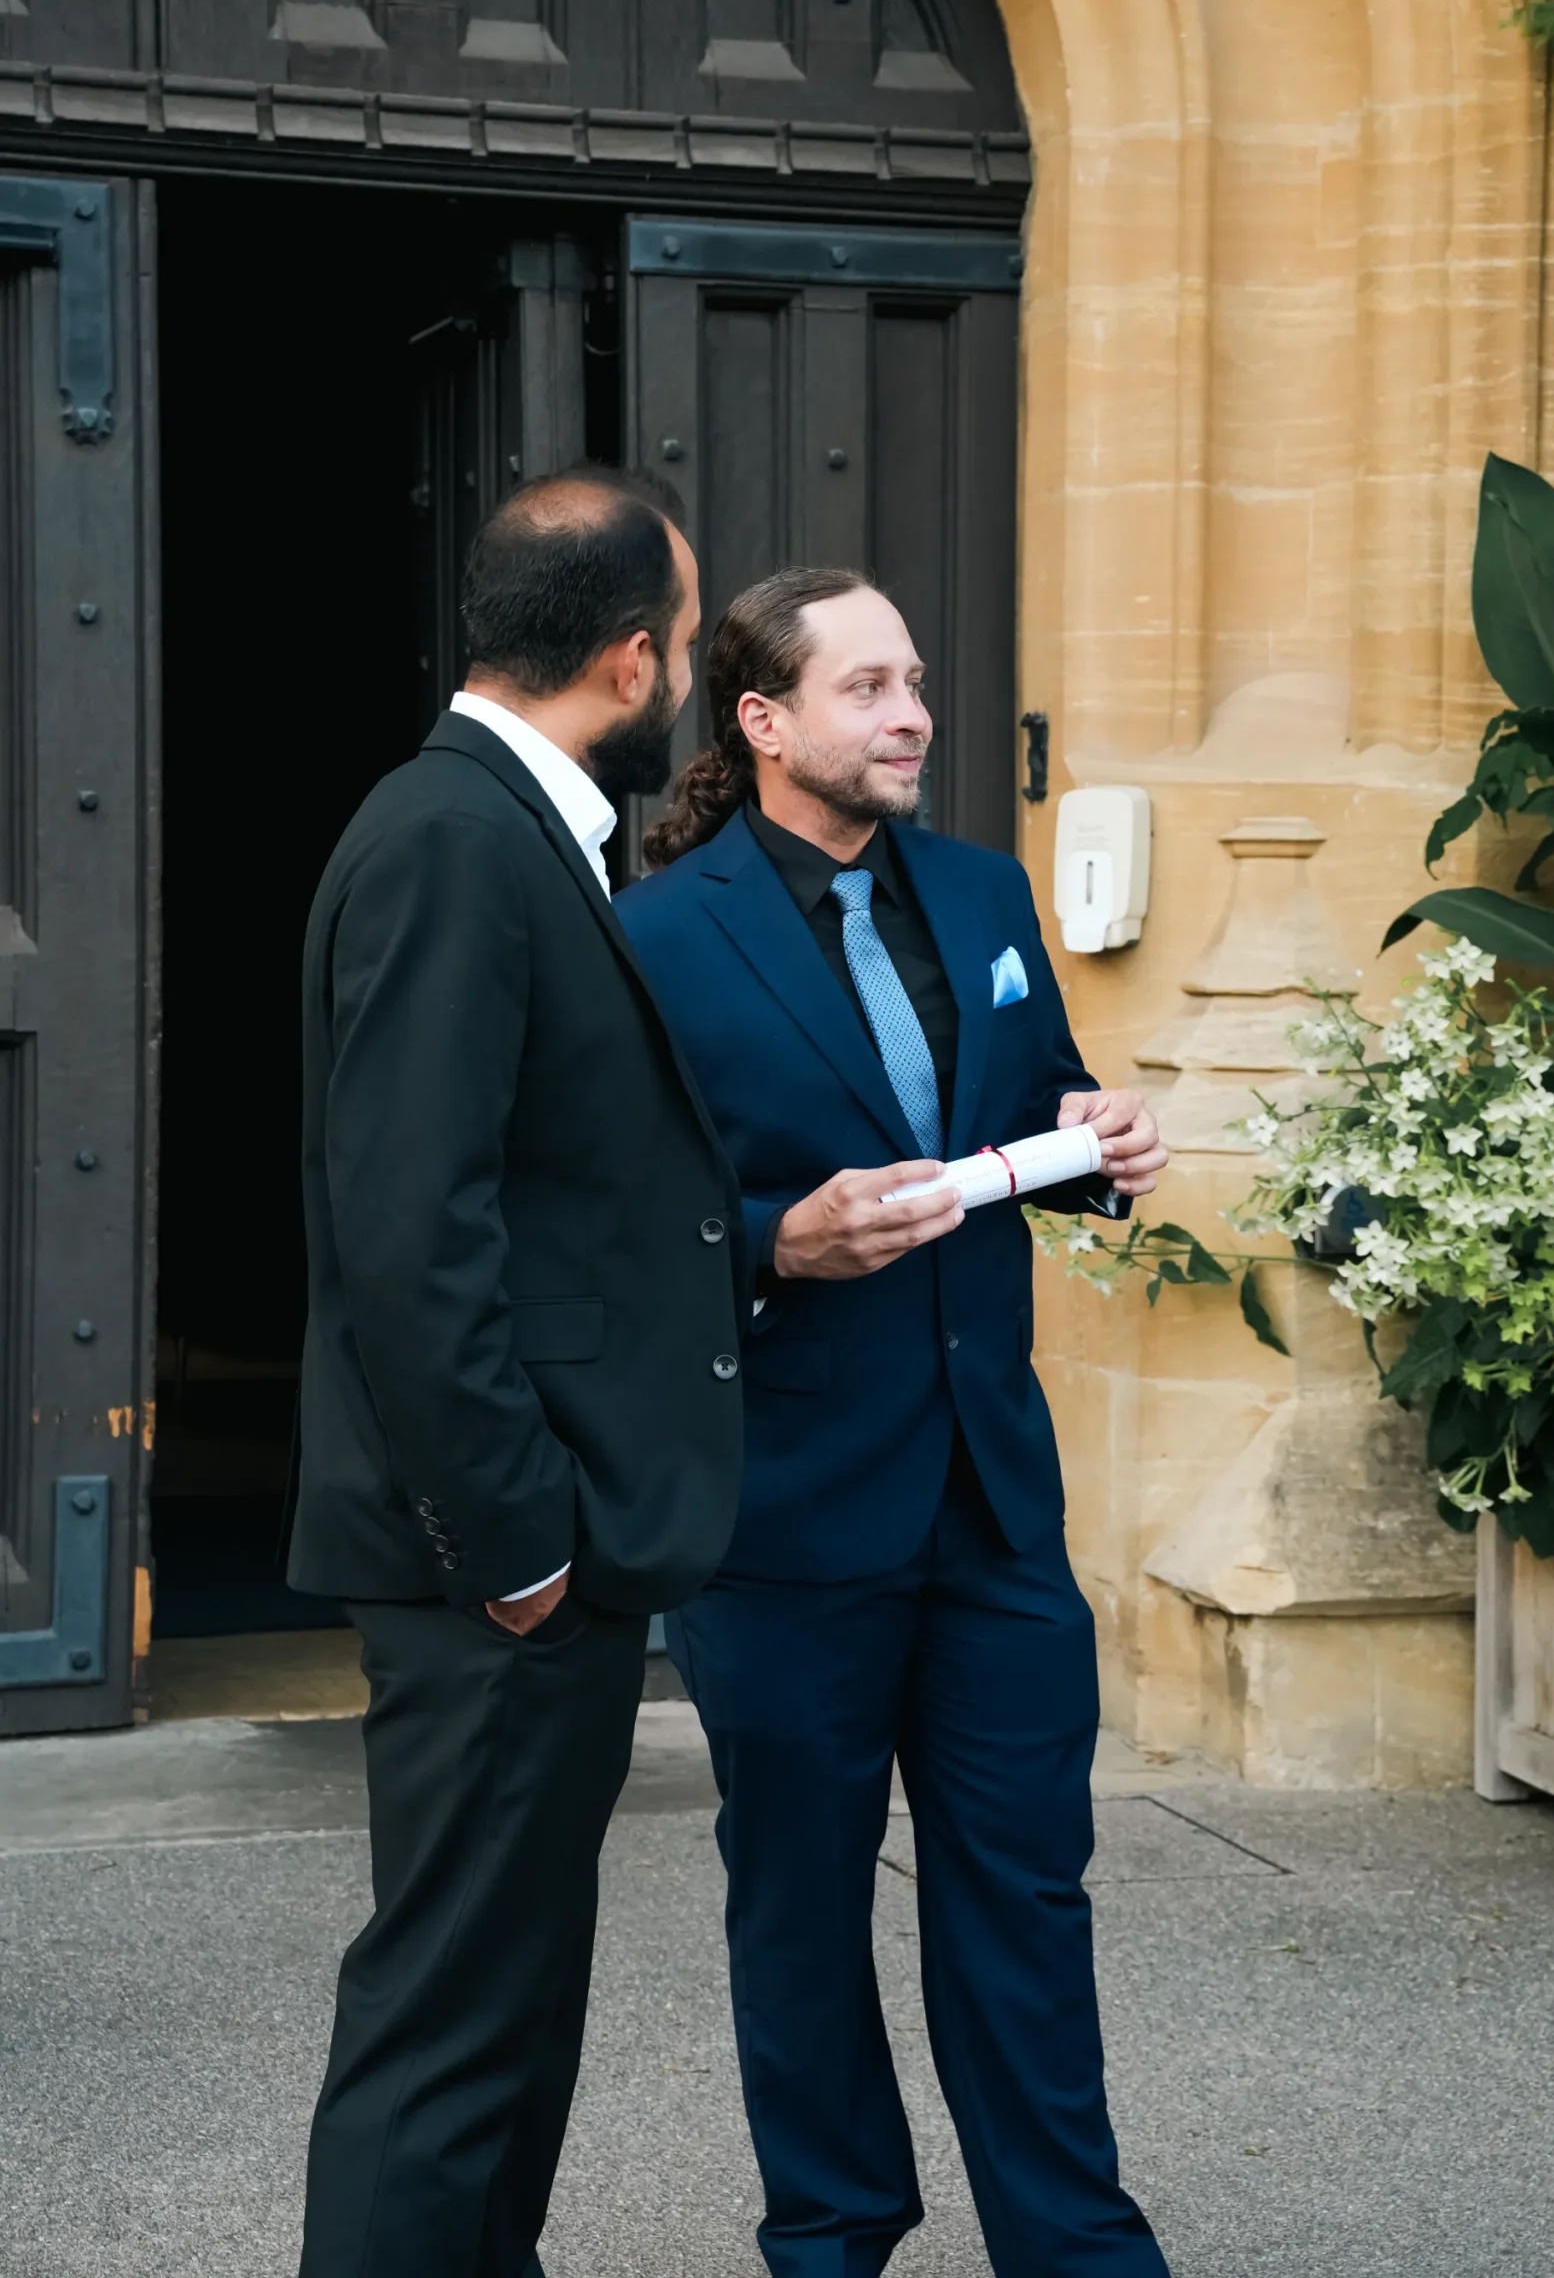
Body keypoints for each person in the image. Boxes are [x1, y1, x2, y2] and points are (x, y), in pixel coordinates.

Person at [618, 567, 1173, 2278]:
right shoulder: (655, 934)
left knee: (1028, 1892)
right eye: (866, 688)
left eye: (915, 681)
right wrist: (774, 1242)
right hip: (783, 1509)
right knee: (799, 1909)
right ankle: (832, 2237)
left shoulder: (984, 890)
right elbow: (607, 1221)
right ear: (762, 721)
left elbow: (1026, 1110)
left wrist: (1096, 1145)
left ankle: (1074, 2251)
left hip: (992, 1502)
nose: (912, 714)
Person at [288, 469, 745, 2278]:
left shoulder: (513, 827)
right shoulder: (451, 838)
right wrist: (518, 1545)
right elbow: (413, 1229)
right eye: (688, 642)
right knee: (448, 2029)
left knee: (508, 2013)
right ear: (631, 661)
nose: (688, 675)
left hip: (543, 1541)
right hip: (494, 1562)